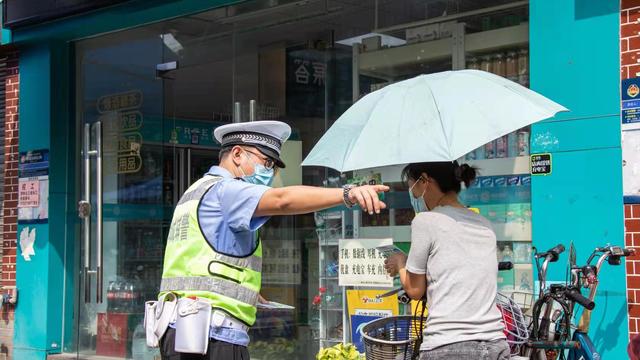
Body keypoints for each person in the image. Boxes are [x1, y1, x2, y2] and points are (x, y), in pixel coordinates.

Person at [156, 120, 388, 360]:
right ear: (237, 154)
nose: (269, 173)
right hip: (212, 336)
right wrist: (347, 193)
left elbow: (199, 263)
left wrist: (244, 292)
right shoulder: (226, 190)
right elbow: (282, 200)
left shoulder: (196, 191)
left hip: (185, 331)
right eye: (266, 163)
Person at [384, 161, 509, 360]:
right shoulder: (484, 224)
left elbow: (415, 290)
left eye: (413, 189)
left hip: (450, 346)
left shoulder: (426, 221)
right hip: (496, 344)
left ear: (425, 181)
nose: (414, 196)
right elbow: (455, 264)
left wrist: (400, 262)